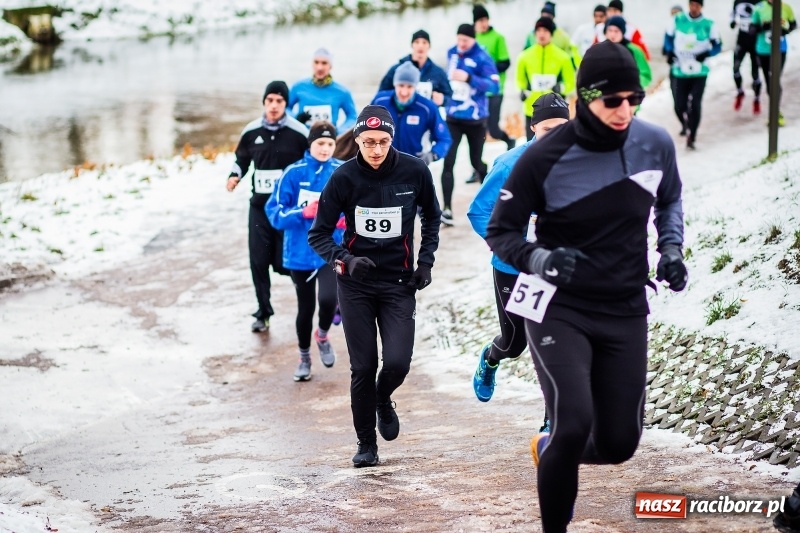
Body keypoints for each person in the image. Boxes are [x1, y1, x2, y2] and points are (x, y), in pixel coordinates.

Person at [485, 41, 687, 533]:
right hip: (557, 306)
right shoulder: (544, 156)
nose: (625, 110)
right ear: (585, 98)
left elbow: (670, 199)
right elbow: (501, 231)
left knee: (619, 444)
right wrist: (539, 256)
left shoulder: (654, 143)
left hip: (623, 305)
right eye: (612, 100)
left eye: (633, 99)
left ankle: (549, 450)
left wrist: (672, 250)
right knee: (572, 422)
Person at [308, 105, 441, 468]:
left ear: (392, 139)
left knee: (397, 362)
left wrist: (425, 261)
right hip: (356, 286)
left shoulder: (415, 170)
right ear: (357, 141)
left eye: (383, 142)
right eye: (368, 143)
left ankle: (383, 399)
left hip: (399, 283)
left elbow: (432, 216)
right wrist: (346, 260)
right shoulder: (343, 178)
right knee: (363, 367)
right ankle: (366, 444)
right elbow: (318, 234)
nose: (376, 150)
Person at [467, 92, 569, 418]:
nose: (555, 135)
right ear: (533, 126)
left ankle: (550, 421)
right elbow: (479, 211)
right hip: (517, 268)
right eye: (547, 128)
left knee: (553, 343)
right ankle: (490, 358)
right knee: (516, 344)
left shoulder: (577, 161)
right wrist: (504, 243)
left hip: (557, 269)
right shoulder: (511, 164)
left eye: (562, 128)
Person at [227, 81, 309, 333]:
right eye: (270, 100)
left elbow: (310, 162)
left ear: (286, 104)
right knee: (258, 260)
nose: (274, 106)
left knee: (287, 263)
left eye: (279, 101)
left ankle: (306, 306)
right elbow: (241, 159)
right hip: (260, 208)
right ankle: (263, 312)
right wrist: (234, 175)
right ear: (264, 102)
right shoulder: (251, 131)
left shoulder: (298, 132)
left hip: (287, 212)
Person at [265, 121, 343, 382]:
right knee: (305, 308)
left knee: (329, 299)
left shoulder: (341, 172)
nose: (325, 148)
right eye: (320, 143)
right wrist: (302, 213)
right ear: (310, 144)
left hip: (330, 251)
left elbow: (355, 207)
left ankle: (322, 334)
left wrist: (345, 219)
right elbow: (274, 212)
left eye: (330, 144)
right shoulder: (293, 173)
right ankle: (304, 357)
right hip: (299, 253)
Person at [439, 23, 499, 226]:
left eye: (465, 40)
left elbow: (494, 85)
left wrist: (470, 78)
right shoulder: (451, 53)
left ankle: (492, 203)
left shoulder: (483, 56)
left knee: (476, 162)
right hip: (453, 117)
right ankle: (446, 209)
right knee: (449, 162)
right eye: (459, 40)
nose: (461, 44)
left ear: (473, 40)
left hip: (475, 119)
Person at [664, 0, 722, 149]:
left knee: (695, 104)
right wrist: (669, 51)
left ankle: (692, 136)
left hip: (699, 71)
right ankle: (685, 124)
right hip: (680, 70)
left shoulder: (709, 23)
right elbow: (668, 39)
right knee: (679, 105)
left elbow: (718, 45)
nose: (694, 8)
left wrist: (707, 53)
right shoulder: (677, 20)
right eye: (691, 4)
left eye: (697, 5)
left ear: (701, 6)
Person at [370, 62, 452, 165]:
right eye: (401, 85)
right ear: (394, 84)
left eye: (409, 87)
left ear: (415, 87)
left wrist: (432, 155)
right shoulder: (380, 101)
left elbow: (444, 138)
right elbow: (364, 130)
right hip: (382, 164)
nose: (404, 92)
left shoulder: (427, 108)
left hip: (412, 166)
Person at [516, 17, 576, 141]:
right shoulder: (524, 56)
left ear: (551, 34)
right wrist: (522, 91)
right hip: (532, 108)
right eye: (538, 31)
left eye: (545, 31)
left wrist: (560, 88)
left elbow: (570, 82)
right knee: (531, 146)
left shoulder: (563, 57)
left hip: (556, 110)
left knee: (556, 145)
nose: (541, 34)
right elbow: (520, 79)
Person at [473, 4, 516, 152]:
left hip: (495, 91)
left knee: (492, 129)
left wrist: (486, 70)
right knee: (478, 131)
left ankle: (510, 141)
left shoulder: (498, 38)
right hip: (477, 92)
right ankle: (478, 167)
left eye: (486, 20)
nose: (484, 24)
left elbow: (505, 62)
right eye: (480, 21)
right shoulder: (472, 39)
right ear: (475, 23)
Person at [751, 0, 796, 127]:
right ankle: (774, 111)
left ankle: (775, 112)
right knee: (769, 80)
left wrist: (785, 30)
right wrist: (763, 27)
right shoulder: (759, 8)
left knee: (775, 80)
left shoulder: (786, 7)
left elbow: (793, 25)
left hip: (780, 49)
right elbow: (751, 29)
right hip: (764, 51)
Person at [289, 48, 358, 131]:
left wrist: (339, 131)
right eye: (316, 62)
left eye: (324, 63)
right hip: (304, 137)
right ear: (312, 64)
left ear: (330, 66)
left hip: (329, 139)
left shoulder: (342, 92)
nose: (319, 67)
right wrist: (296, 117)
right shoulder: (298, 87)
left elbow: (352, 116)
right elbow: (285, 108)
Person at [378, 30, 452, 106]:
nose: (420, 46)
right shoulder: (397, 70)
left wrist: (443, 100)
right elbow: (381, 94)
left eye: (424, 42)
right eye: (417, 42)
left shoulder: (438, 73)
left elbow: (450, 97)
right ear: (412, 45)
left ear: (429, 46)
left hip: (425, 114)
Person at [526, 2, 582, 68]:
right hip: (536, 69)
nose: (545, 19)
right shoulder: (531, 35)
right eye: (543, 15)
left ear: (553, 17)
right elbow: (525, 52)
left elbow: (570, 57)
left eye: (548, 16)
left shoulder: (563, 36)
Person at [731, 0, 763, 114]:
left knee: (755, 72)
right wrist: (732, 22)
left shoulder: (761, 2)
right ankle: (740, 92)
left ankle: (757, 99)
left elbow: (765, 17)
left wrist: (759, 27)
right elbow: (732, 14)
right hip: (742, 40)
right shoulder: (738, 1)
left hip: (756, 41)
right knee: (735, 68)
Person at [604, 16, 652, 91]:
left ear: (622, 32)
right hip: (606, 95)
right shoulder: (600, 49)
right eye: (610, 30)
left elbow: (646, 76)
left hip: (629, 95)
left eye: (616, 31)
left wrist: (630, 84)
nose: (612, 34)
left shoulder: (634, 50)